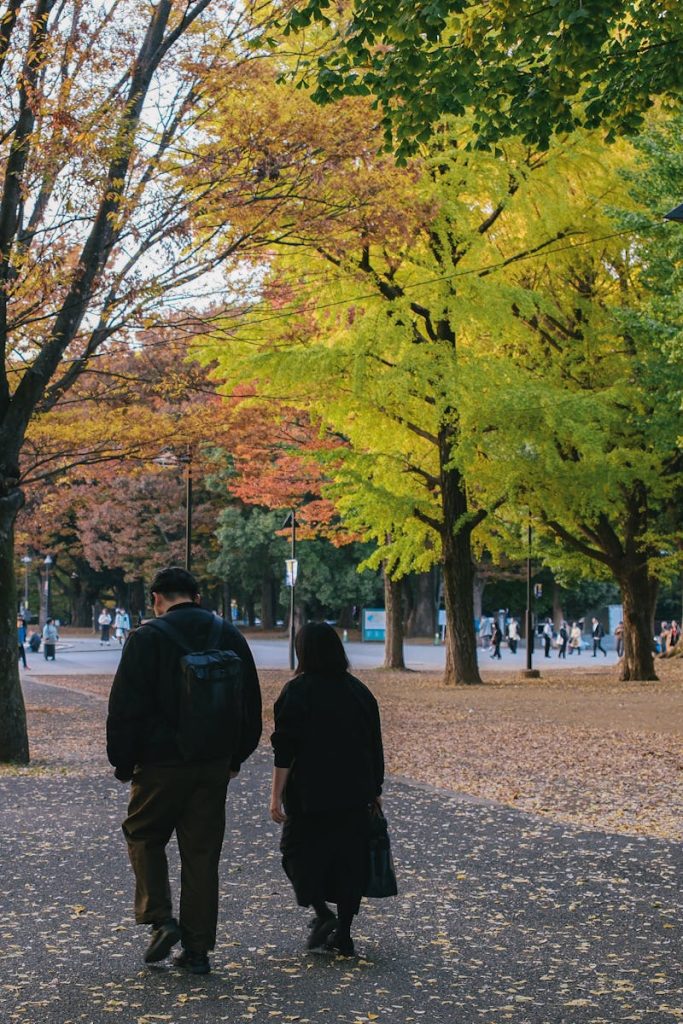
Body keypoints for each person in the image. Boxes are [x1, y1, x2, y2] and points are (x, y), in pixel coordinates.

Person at [106, 566, 262, 975]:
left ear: (156, 598)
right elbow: (250, 704)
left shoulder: (146, 639)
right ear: (197, 596)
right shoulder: (228, 635)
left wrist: (123, 762)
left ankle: (160, 919)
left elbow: (125, 708)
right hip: (212, 764)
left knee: (143, 833)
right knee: (201, 854)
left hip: (159, 763)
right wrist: (235, 757)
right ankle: (197, 951)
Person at [270, 622, 384, 958]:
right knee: (350, 862)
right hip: (354, 792)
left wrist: (276, 794)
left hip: (310, 795)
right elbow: (373, 745)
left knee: (295, 854)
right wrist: (375, 787)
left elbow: (285, 749)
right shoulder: (359, 692)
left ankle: (322, 913)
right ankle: (344, 934)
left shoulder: (296, 692)